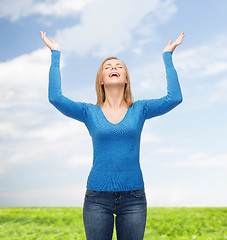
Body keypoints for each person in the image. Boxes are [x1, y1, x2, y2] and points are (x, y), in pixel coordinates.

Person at [40, 30, 184, 240]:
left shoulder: (140, 109)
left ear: (126, 79)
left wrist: (167, 55)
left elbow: (175, 98)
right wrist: (55, 53)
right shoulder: (89, 112)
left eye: (119, 66)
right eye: (107, 67)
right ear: (101, 80)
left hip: (134, 197)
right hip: (97, 198)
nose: (114, 68)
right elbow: (56, 98)